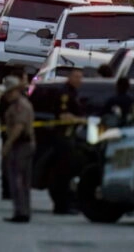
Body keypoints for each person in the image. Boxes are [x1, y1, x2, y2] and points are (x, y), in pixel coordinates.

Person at [0, 75, 35, 223]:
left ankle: (21, 212)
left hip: (21, 145)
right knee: (23, 181)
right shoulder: (18, 104)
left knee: (17, 180)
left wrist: (8, 144)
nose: (6, 95)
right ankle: (23, 211)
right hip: (24, 144)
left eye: (8, 92)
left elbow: (18, 127)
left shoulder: (19, 106)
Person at [48, 67, 84, 215]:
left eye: (80, 77)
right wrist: (81, 120)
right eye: (76, 77)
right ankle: (61, 206)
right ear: (69, 77)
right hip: (63, 137)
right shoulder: (65, 93)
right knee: (62, 174)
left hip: (70, 137)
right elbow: (63, 116)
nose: (79, 80)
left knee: (67, 173)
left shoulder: (73, 92)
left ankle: (65, 204)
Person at [0, 67, 28, 200]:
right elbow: (1, 115)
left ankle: (13, 189)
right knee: (9, 162)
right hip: (11, 134)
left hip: (20, 135)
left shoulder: (23, 94)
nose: (27, 81)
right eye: (25, 78)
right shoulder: (9, 98)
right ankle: (8, 190)